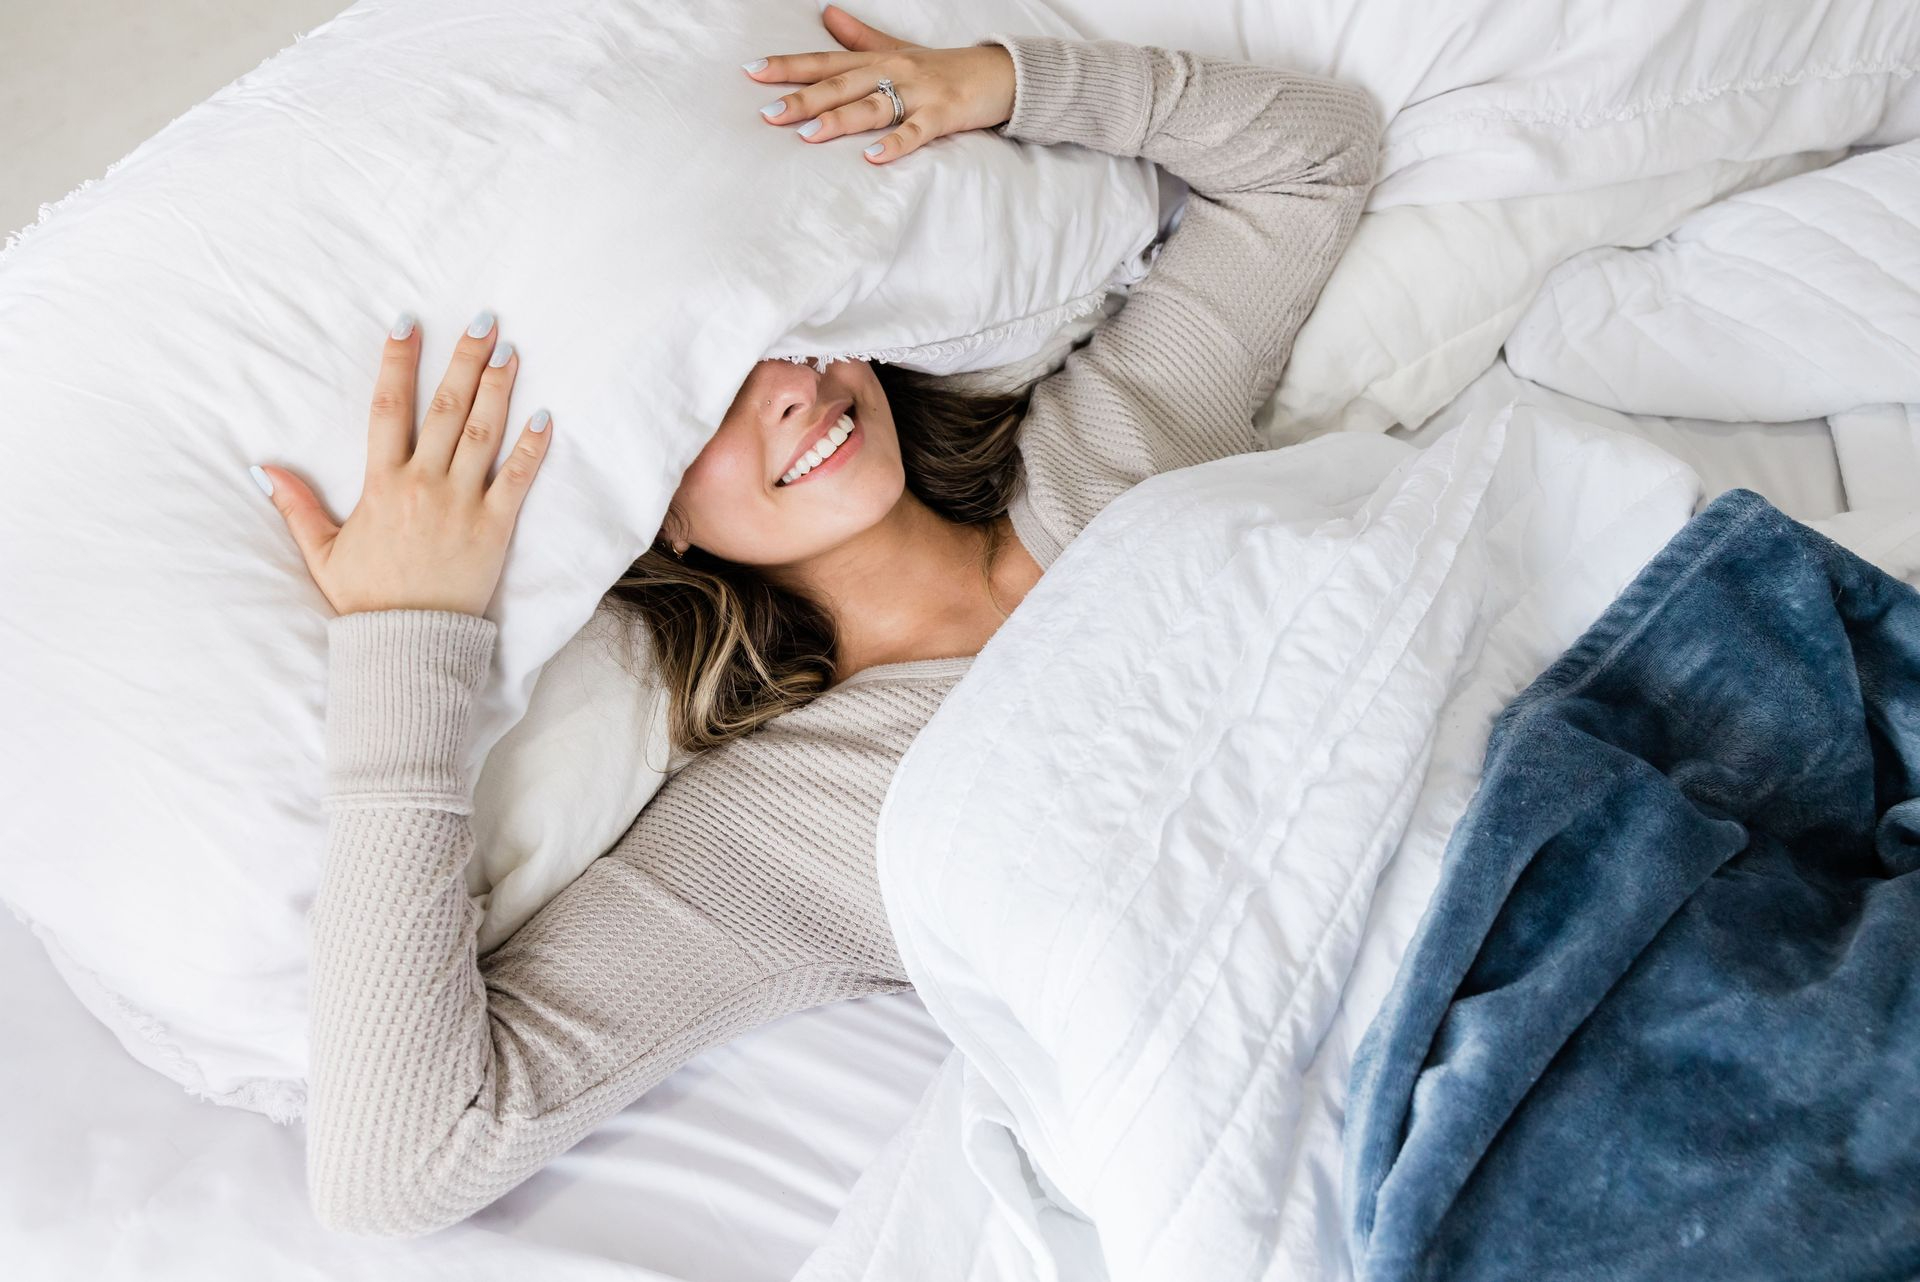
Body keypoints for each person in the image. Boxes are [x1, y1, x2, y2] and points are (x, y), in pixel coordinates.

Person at [255, 3, 1381, 1238]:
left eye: (793, 341)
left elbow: (1315, 159)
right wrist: (408, 640)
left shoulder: (1111, 441)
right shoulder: (777, 835)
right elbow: (399, 1167)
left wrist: (1004, 85)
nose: (793, 388)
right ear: (652, 512)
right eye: (710, 407)